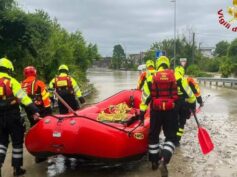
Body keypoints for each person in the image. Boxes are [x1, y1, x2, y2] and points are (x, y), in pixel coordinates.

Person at [139, 56, 178, 177]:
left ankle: (154, 162)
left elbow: (145, 97)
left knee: (153, 136)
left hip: (156, 111)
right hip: (171, 111)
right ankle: (164, 160)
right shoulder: (174, 76)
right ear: (167, 64)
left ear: (158, 65)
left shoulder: (151, 77)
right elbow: (181, 94)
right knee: (171, 137)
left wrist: (141, 113)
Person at [0, 58, 40, 176]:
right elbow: (24, 98)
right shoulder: (11, 81)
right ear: (9, 69)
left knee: (1, 142)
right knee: (17, 142)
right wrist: (35, 110)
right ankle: (17, 169)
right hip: (13, 116)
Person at [175, 66, 197, 147]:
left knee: (172, 122)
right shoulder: (182, 80)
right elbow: (191, 96)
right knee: (181, 123)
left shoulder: (170, 78)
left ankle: (170, 139)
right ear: (182, 72)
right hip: (183, 104)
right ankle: (177, 141)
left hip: (172, 104)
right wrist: (193, 107)